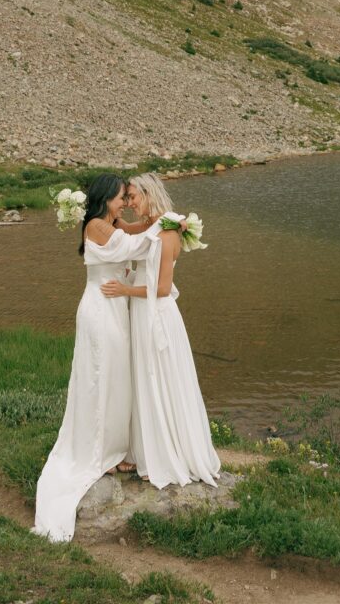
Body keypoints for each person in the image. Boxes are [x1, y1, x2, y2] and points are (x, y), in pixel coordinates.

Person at [33, 173, 155, 542]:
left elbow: (139, 228)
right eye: (121, 198)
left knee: (117, 378)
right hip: (100, 311)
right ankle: (100, 452)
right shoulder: (98, 227)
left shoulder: (112, 222)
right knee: (102, 377)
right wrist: (162, 229)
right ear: (105, 199)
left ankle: (116, 449)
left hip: (114, 308)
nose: (124, 204)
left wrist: (166, 217)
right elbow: (138, 245)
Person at [101, 172, 220, 489]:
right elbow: (123, 230)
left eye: (133, 197)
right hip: (142, 312)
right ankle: (143, 452)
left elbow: (164, 288)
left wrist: (125, 291)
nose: (130, 203)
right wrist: (101, 208)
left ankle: (165, 454)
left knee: (159, 379)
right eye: (126, 198)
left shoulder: (167, 232)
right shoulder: (155, 224)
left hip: (157, 314)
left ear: (148, 194)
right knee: (143, 379)